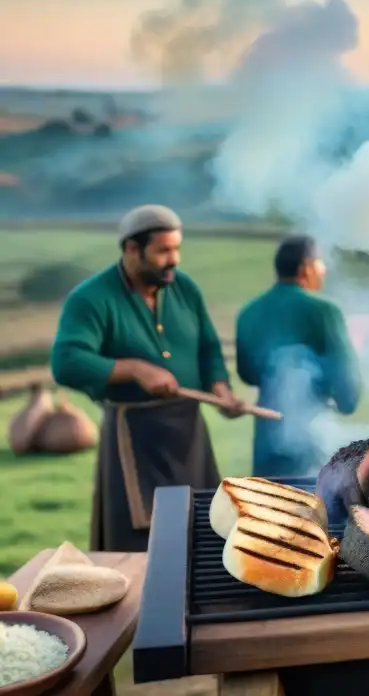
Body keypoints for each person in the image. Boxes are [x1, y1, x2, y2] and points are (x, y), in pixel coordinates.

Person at [50, 204, 244, 552]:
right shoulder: (91, 298)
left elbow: (209, 348)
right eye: (163, 251)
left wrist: (220, 389)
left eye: (177, 248)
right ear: (131, 249)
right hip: (133, 436)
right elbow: (65, 361)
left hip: (189, 431)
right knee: (142, 545)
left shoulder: (185, 288)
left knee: (205, 528)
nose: (174, 259)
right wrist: (134, 369)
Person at [235, 235, 361, 478]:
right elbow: (347, 387)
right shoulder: (325, 311)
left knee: (267, 507)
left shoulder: (249, 312)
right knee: (313, 507)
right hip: (312, 435)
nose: (323, 271)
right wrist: (346, 404)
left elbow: (247, 374)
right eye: (320, 263)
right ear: (305, 267)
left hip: (267, 431)